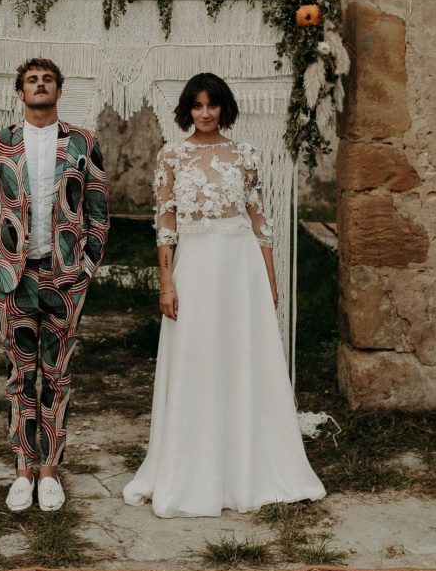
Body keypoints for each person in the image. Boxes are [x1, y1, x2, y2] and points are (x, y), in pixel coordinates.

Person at [123, 72, 325, 518]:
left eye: (212, 105)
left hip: (241, 267)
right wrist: (166, 281)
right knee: (196, 358)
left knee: (243, 357)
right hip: (194, 265)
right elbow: (165, 224)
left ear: (224, 107)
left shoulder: (244, 154)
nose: (205, 113)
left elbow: (260, 218)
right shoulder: (172, 155)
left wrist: (269, 277)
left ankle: (250, 467)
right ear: (187, 111)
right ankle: (194, 468)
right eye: (197, 106)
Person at [0, 58, 108, 514]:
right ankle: (21, 471)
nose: (40, 85)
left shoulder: (83, 143)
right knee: (19, 375)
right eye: (32, 80)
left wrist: (85, 268)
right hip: (15, 277)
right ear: (20, 91)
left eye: (48, 79)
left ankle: (49, 470)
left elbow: (98, 215)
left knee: (57, 373)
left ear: (59, 89)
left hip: (64, 276)